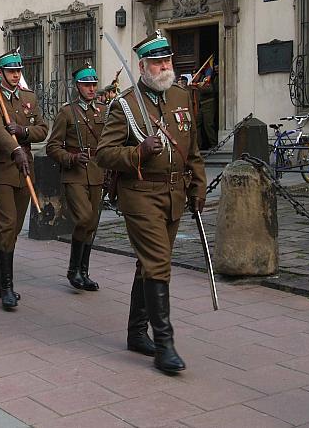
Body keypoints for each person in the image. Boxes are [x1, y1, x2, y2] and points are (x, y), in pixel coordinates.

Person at [96, 30, 206, 374]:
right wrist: (137, 152)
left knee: (149, 264)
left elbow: (193, 149)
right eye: (156, 62)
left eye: (167, 61)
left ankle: (135, 332)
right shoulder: (126, 104)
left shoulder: (181, 96)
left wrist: (198, 185)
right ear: (142, 66)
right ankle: (165, 345)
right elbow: (104, 153)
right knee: (159, 263)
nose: (164, 67)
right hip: (140, 195)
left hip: (174, 193)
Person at [0, 50, 49, 310]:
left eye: (18, 70)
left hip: (24, 169)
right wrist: (15, 148)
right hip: (0, 170)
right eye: (11, 71)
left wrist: (23, 132)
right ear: (1, 73)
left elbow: (42, 129)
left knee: (15, 228)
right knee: (7, 225)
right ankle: (7, 287)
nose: (16, 74)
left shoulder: (28, 97)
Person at [46, 64, 106, 291]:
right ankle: (73, 270)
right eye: (86, 85)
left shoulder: (102, 110)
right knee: (84, 218)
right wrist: (70, 158)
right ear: (77, 86)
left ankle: (84, 271)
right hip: (74, 174)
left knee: (92, 223)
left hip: (97, 171)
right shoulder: (67, 112)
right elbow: (52, 146)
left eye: (93, 84)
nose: (91, 89)